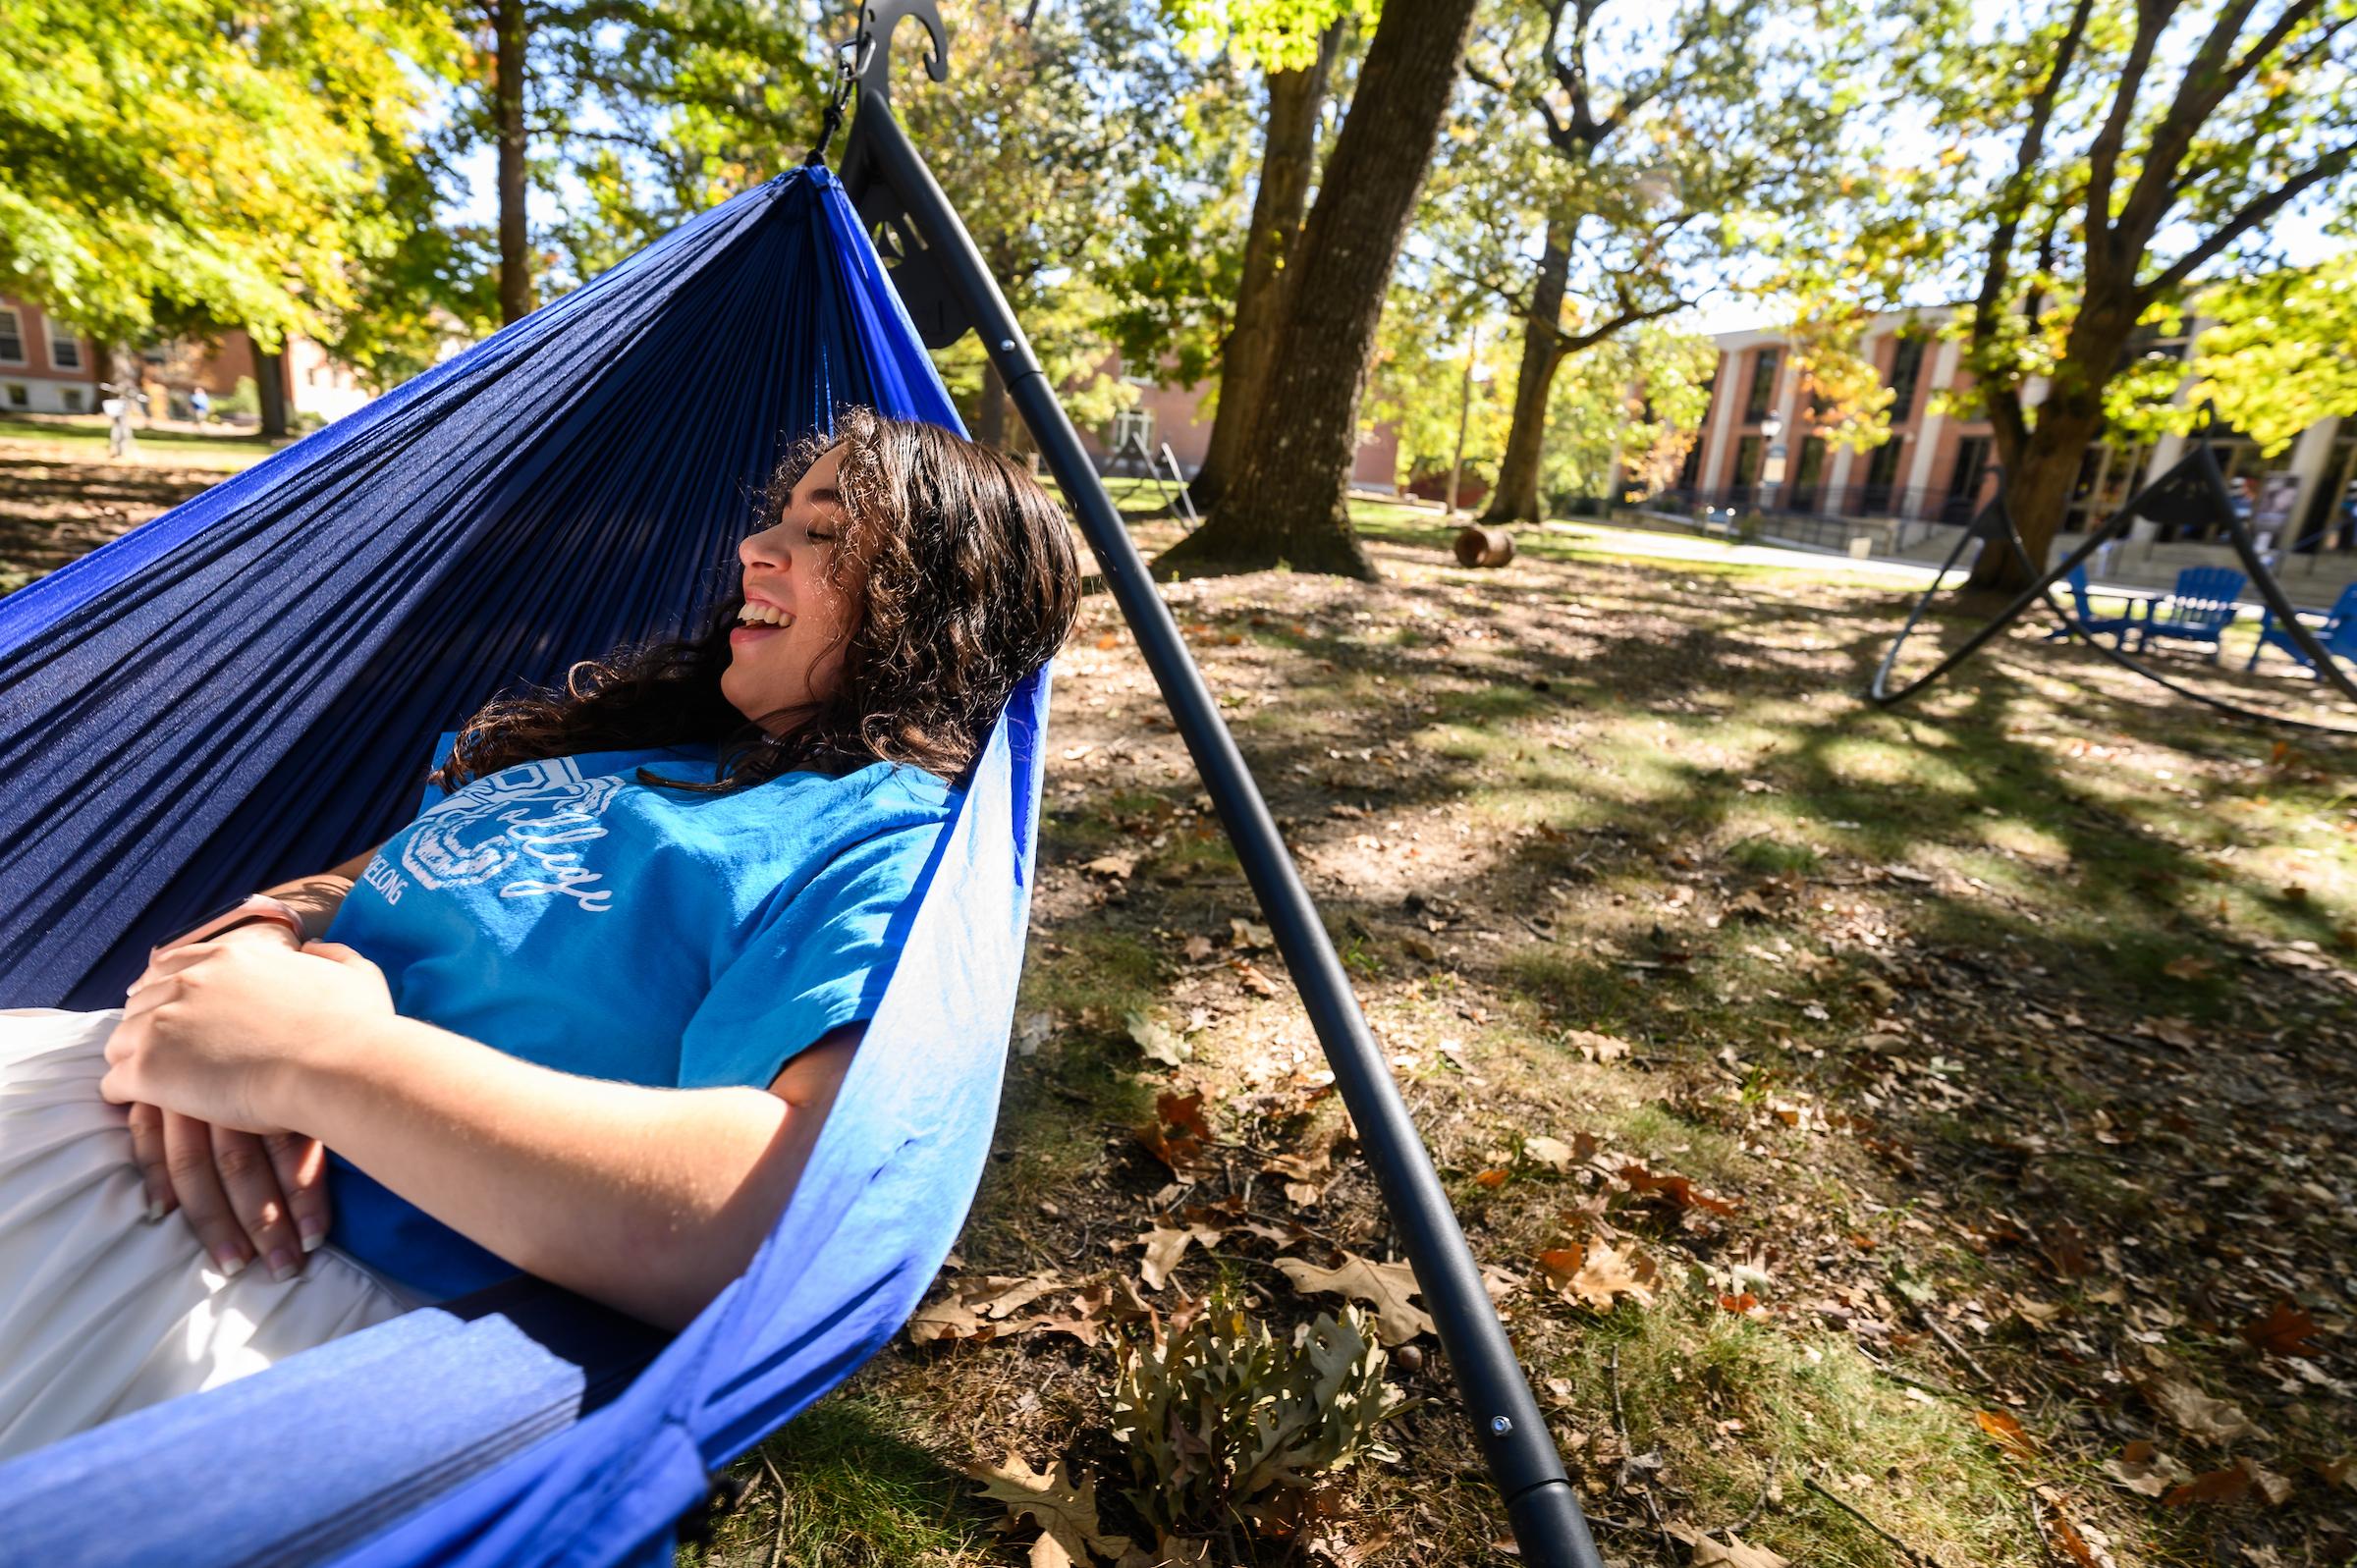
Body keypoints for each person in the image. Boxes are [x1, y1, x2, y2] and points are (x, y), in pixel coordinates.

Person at [0, 408, 1081, 1459]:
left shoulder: (885, 833)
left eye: (826, 533)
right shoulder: (651, 749)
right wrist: (256, 944)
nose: (755, 548)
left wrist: (311, 1061)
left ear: (936, 603)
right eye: (778, 518)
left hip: (274, 1268)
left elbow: (774, 1220)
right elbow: (361, 877)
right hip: (120, 1093)